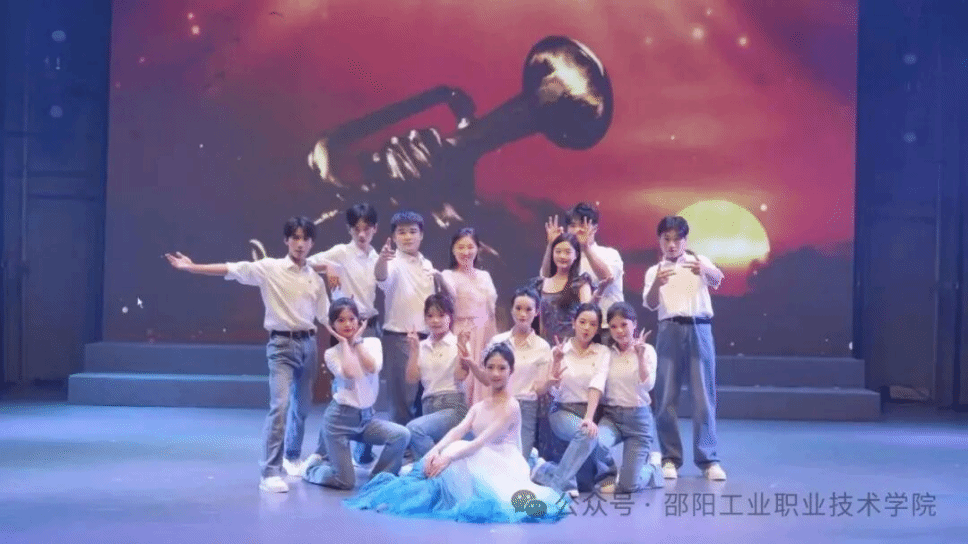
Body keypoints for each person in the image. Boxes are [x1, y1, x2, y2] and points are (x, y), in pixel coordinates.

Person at [165, 216, 329, 493]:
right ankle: (269, 472)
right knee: (280, 406)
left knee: (302, 407)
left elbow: (326, 316)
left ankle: (292, 457)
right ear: (286, 240)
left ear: (312, 243)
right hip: (281, 345)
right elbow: (231, 269)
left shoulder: (315, 279)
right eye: (295, 238)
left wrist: (352, 337)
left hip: (309, 344)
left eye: (305, 238)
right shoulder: (269, 268)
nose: (300, 244)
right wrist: (192, 267)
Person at [344, 343, 569, 523]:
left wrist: (447, 457)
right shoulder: (479, 406)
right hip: (482, 457)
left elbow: (480, 441)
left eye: (502, 368)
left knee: (456, 453)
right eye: (490, 367)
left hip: (503, 463)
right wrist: (434, 452)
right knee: (440, 461)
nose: (495, 373)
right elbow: (457, 430)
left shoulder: (512, 406)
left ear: (511, 371)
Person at [642, 215, 727, 481]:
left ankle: (708, 459)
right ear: (659, 241)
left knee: (703, 398)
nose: (671, 244)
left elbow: (718, 280)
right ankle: (670, 458)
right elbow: (651, 304)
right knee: (666, 396)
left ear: (685, 240)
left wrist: (705, 271)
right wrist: (657, 283)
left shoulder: (699, 261)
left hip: (700, 328)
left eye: (677, 239)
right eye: (666, 239)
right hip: (669, 329)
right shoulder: (655, 271)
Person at [301, 298, 411, 489]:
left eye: (352, 319)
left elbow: (372, 367)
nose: (347, 324)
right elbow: (350, 373)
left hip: (366, 418)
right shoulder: (332, 353)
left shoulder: (373, 343)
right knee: (345, 482)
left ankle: (379, 477)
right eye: (341, 320)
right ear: (333, 325)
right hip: (339, 421)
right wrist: (345, 343)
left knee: (401, 435)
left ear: (359, 321)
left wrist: (357, 341)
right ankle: (312, 469)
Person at [530, 303, 615, 497]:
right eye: (582, 322)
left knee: (585, 483)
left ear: (597, 328)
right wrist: (556, 362)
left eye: (592, 324)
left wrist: (589, 418)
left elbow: (597, 384)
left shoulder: (603, 352)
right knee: (588, 435)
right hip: (562, 410)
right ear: (573, 323)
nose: (587, 328)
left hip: (591, 411)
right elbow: (552, 390)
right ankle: (561, 484)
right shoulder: (559, 350)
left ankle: (544, 471)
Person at [375, 211, 443, 425]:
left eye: (413, 232)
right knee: (402, 400)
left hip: (428, 338)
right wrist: (381, 260)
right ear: (394, 237)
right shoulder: (392, 262)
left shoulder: (427, 264)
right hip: (399, 337)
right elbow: (381, 277)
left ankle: (419, 439)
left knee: (425, 396)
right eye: (402, 232)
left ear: (421, 235)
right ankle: (401, 441)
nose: (407, 237)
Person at [596, 302, 663, 493]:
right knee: (594, 443)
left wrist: (640, 357)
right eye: (614, 326)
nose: (619, 331)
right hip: (612, 418)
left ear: (634, 324)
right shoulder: (607, 353)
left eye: (624, 324)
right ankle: (609, 475)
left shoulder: (647, 350)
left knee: (628, 486)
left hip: (638, 422)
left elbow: (648, 386)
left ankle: (652, 468)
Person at [483, 286, 553, 467]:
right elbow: (486, 378)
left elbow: (539, 390)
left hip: (526, 406)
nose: (523, 314)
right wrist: (471, 364)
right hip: (498, 404)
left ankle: (533, 461)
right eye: (518, 308)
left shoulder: (542, 347)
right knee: (495, 461)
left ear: (537, 312)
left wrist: (550, 383)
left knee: (518, 463)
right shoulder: (498, 341)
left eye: (529, 309)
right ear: (512, 310)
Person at [541, 202, 624, 342]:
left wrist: (586, 247)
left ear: (595, 228)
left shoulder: (610, 254)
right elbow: (546, 277)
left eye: (583, 225)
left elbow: (607, 277)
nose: (577, 230)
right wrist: (551, 245)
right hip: (577, 331)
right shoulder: (567, 257)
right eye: (573, 226)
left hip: (607, 328)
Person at [404, 294, 470, 460]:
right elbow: (411, 379)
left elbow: (460, 375)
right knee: (429, 444)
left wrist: (462, 347)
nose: (435, 320)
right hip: (428, 405)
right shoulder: (421, 346)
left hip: (453, 405)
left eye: (441, 315)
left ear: (450, 317)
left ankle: (432, 467)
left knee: (414, 429)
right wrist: (414, 351)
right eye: (430, 316)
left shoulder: (458, 342)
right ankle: (435, 468)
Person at [438, 227, 497, 405]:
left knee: (484, 377)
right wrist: (438, 277)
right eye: (461, 247)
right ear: (453, 250)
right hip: (461, 332)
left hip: (484, 332)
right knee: (464, 379)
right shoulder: (448, 275)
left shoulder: (485, 276)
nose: (466, 252)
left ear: (477, 249)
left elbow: (491, 311)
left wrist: (494, 340)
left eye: (470, 247)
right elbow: (450, 295)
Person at [307, 203, 381, 336]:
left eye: (366, 229)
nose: (362, 234)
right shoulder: (341, 252)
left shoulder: (376, 257)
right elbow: (303, 264)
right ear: (349, 229)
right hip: (347, 325)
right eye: (356, 229)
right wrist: (326, 266)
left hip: (371, 324)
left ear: (375, 228)